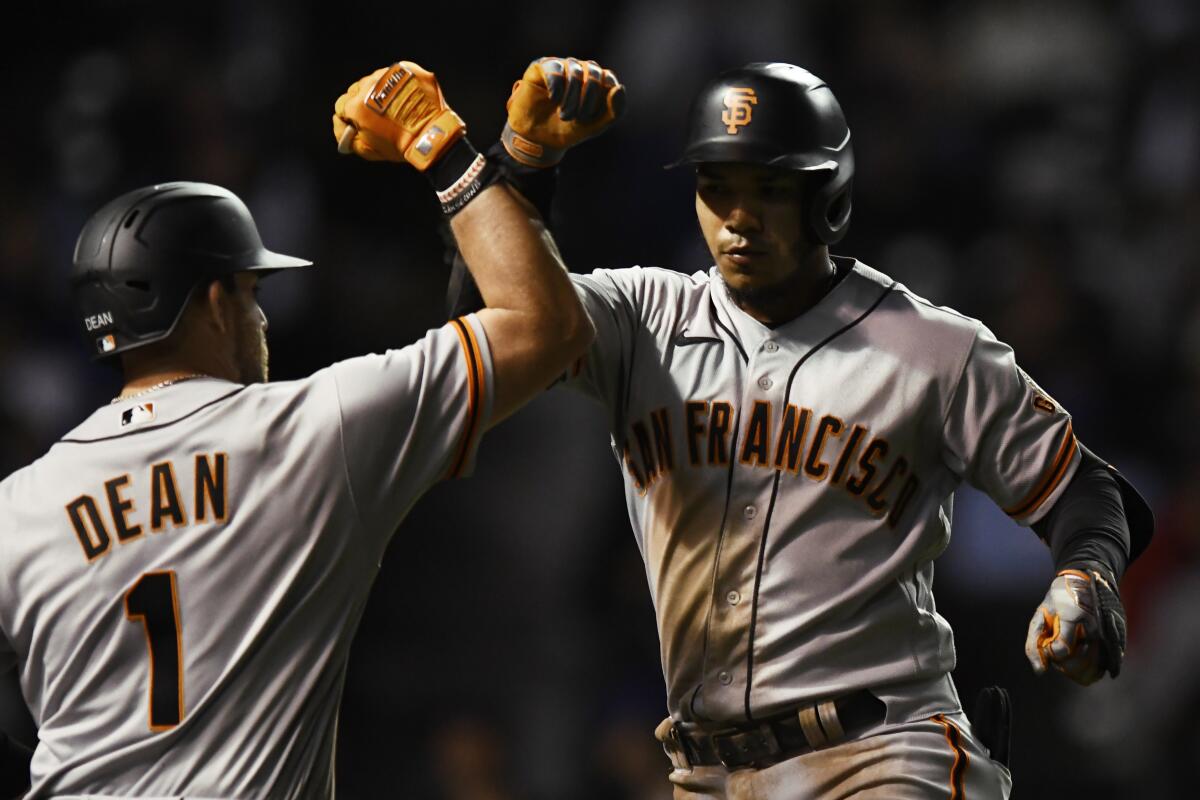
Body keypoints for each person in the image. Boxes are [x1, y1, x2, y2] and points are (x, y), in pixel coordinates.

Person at [448, 60, 1153, 799]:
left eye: (769, 188)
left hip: (879, 755)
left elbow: (1085, 489)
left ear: (828, 200)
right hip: (706, 771)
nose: (738, 215)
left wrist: (1086, 575)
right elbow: (492, 326)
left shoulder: (931, 347)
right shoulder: (640, 319)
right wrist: (522, 162)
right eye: (716, 186)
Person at [0, 58, 621, 799]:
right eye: (253, 291)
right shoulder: (311, 430)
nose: (260, 316)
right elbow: (547, 326)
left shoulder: (18, 507)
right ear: (218, 301)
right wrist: (445, 147)